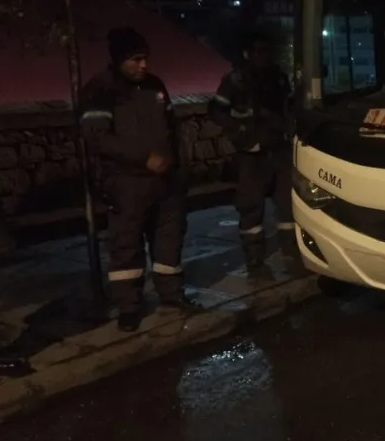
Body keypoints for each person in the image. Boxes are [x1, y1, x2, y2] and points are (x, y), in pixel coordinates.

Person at [80, 26, 197, 331]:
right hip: (126, 183)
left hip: (166, 182)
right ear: (119, 59)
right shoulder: (100, 90)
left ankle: (172, 295)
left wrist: (180, 168)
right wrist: (143, 157)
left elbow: (172, 129)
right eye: (135, 59)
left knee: (169, 241)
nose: (143, 65)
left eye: (145, 58)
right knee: (126, 244)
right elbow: (98, 138)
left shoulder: (155, 86)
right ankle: (130, 307)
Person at [209, 29, 296, 274]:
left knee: (287, 206)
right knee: (251, 207)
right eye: (259, 52)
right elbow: (217, 111)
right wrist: (240, 134)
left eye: (268, 51)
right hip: (251, 153)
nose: (265, 57)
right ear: (248, 54)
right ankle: (255, 259)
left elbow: (289, 107)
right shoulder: (234, 80)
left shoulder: (278, 78)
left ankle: (292, 252)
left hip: (279, 150)